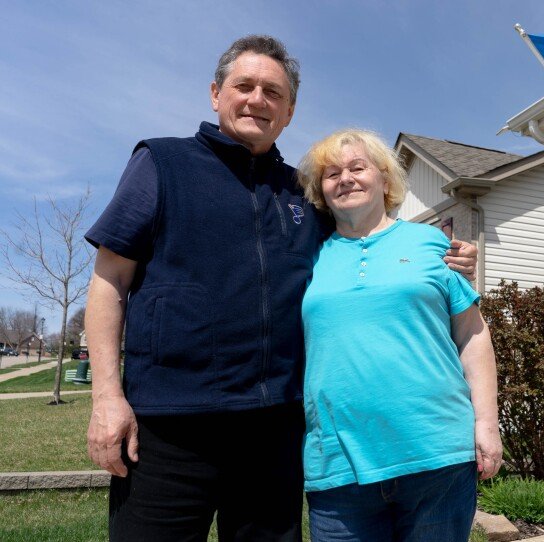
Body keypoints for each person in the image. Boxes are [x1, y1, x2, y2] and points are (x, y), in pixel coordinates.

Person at [83, 36, 477, 542]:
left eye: (273, 92)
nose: (257, 99)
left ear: (289, 111)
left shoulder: (302, 193)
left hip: (273, 432)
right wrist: (106, 398)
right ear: (215, 93)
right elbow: (109, 278)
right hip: (171, 424)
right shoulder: (162, 163)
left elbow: (373, 248)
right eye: (243, 86)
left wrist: (448, 258)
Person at [297, 129, 503, 542]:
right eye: (332, 173)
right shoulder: (307, 255)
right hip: (338, 464)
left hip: (436, 455)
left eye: (358, 167)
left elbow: (472, 333)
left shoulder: (430, 243)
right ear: (321, 191)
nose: (346, 178)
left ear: (385, 180)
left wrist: (486, 422)